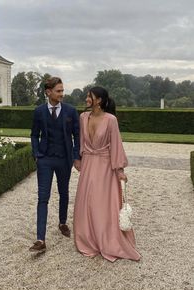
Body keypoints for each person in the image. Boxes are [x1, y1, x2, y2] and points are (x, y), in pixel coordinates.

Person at [74, 86, 141, 262]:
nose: (87, 99)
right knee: (86, 203)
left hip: (105, 168)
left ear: (99, 100)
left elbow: (116, 145)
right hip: (88, 165)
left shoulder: (111, 120)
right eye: (87, 96)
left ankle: (106, 240)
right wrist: (78, 159)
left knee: (102, 205)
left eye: (90, 96)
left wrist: (120, 170)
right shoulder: (82, 117)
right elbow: (79, 141)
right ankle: (89, 239)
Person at [29, 77, 81, 253]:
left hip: (64, 159)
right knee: (43, 197)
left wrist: (76, 157)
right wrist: (36, 154)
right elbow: (34, 134)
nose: (61, 94)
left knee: (64, 192)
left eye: (62, 91)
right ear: (48, 92)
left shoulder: (71, 111)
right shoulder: (39, 111)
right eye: (58, 91)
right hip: (45, 159)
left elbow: (77, 136)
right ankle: (40, 239)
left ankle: (62, 222)